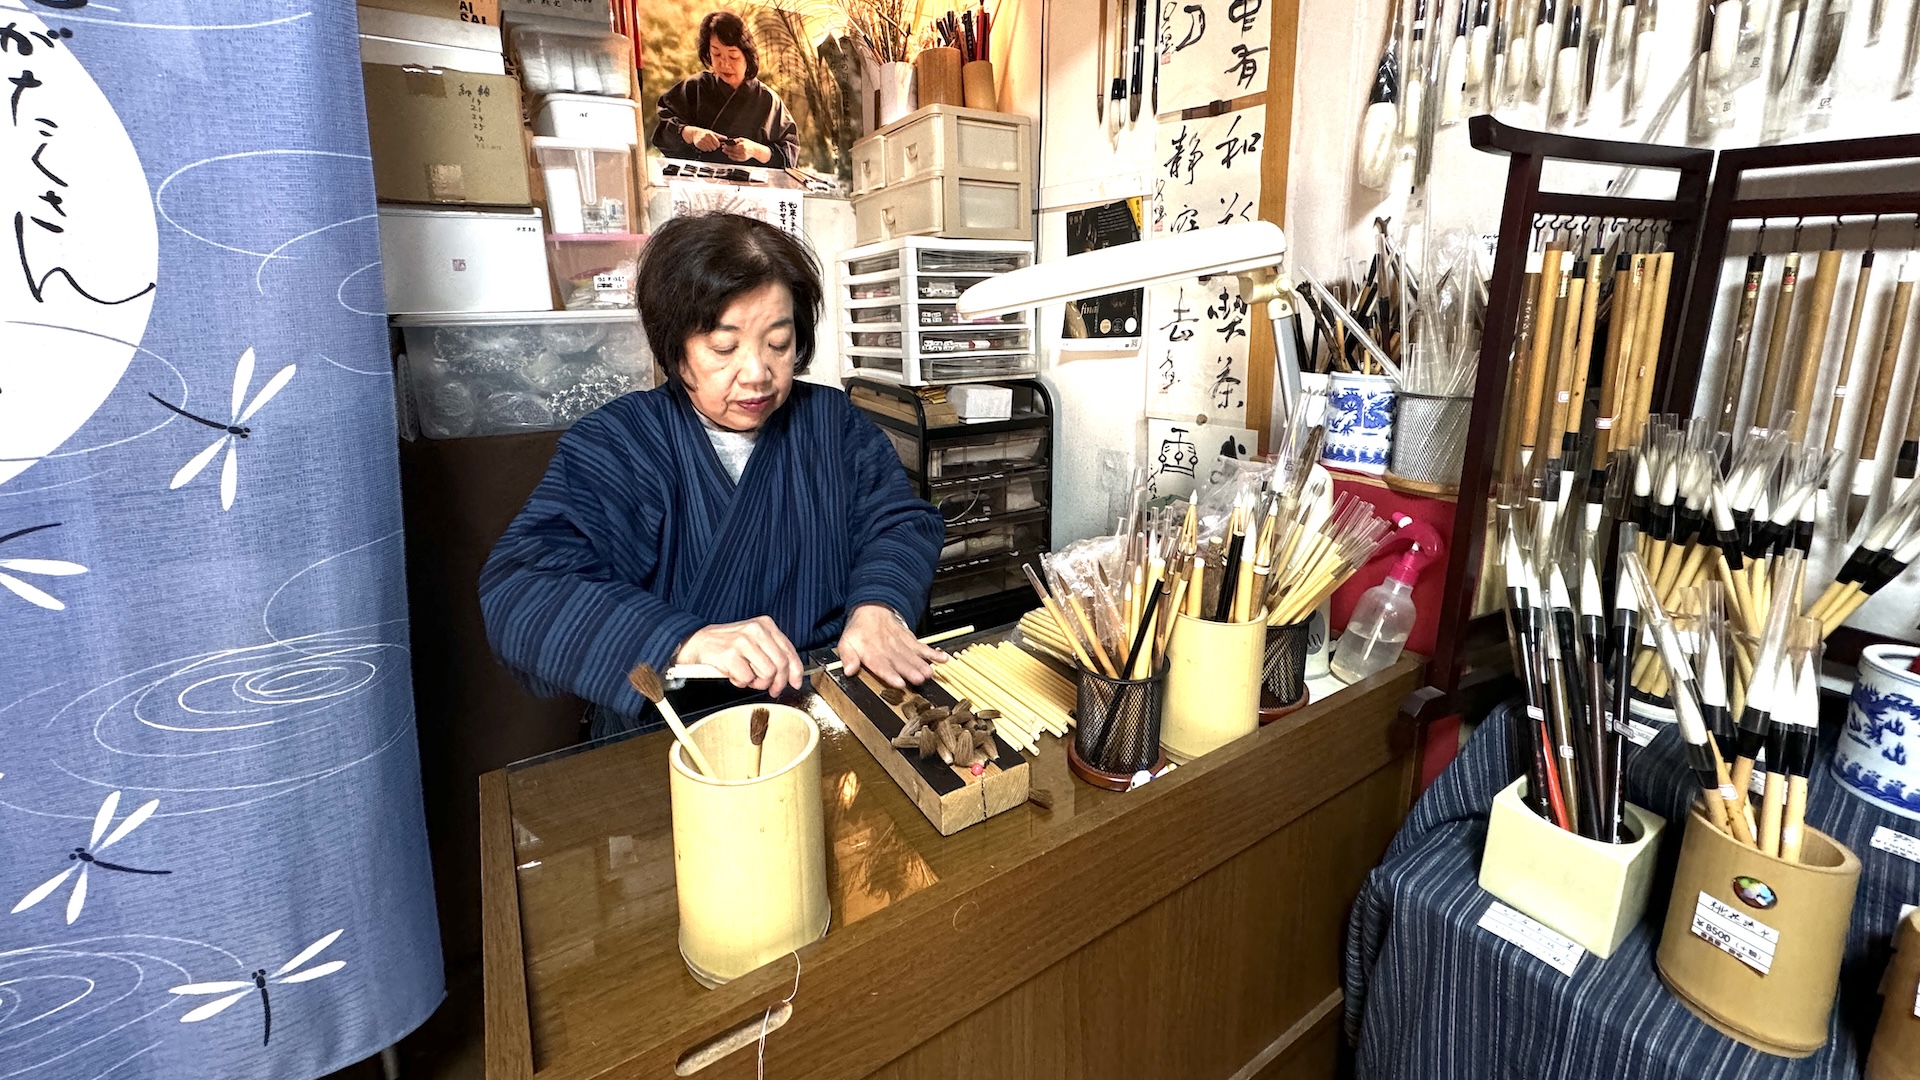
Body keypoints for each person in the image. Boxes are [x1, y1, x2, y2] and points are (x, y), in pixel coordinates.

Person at [480, 213, 948, 737]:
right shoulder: (619, 443)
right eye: (724, 348)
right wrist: (683, 640)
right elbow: (521, 590)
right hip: (677, 733)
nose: (757, 373)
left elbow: (897, 523)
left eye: (778, 342)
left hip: (828, 708)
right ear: (675, 346)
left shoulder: (832, 423)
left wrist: (878, 606)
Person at [650, 12, 801, 170]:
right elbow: (661, 130)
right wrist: (690, 133)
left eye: (733, 56)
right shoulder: (693, 88)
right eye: (716, 54)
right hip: (695, 189)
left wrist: (756, 151)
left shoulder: (768, 100)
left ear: (747, 56)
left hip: (750, 191)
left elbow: (789, 155)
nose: (724, 64)